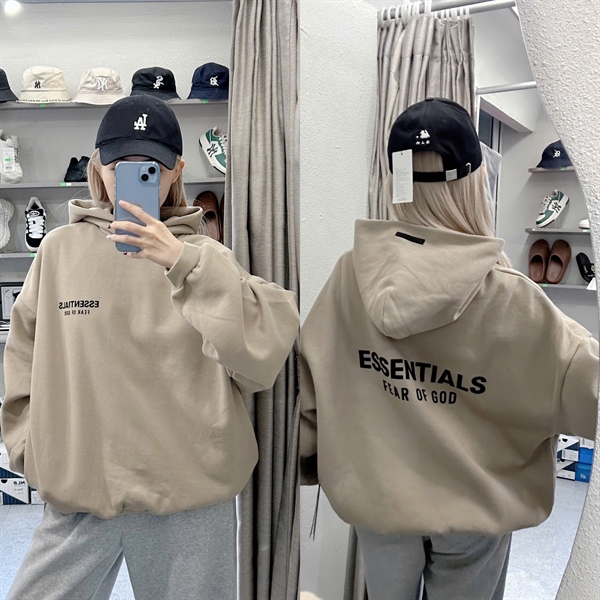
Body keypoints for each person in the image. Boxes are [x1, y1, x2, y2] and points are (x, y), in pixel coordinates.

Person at [1, 95, 299, 600]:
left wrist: (182, 261)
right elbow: (23, 356)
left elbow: (260, 355)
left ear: (176, 170)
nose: (134, 179)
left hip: (188, 498)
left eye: (152, 168)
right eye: (120, 165)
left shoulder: (206, 256)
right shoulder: (59, 251)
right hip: (80, 493)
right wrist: (32, 449)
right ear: (98, 167)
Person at [299, 98, 598, 600]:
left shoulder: (349, 276)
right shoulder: (511, 298)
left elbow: (312, 388)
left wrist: (308, 460)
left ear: (396, 181)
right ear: (475, 183)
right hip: (473, 510)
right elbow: (585, 388)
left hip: (378, 502)